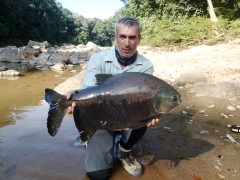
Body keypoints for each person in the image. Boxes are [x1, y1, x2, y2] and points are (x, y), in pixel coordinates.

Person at [67, 16, 159, 180]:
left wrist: (152, 113)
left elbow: (146, 97)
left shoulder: (146, 66)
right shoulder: (98, 59)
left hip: (129, 117)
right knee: (98, 176)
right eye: (122, 36)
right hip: (102, 118)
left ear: (139, 39)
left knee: (145, 115)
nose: (127, 43)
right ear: (116, 37)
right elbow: (89, 89)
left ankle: (124, 151)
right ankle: (88, 134)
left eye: (132, 37)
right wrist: (76, 96)